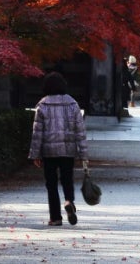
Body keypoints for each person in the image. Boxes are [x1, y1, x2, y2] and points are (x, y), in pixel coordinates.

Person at [28, 71, 88, 226]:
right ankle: (69, 201)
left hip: (49, 151)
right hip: (68, 150)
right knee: (67, 179)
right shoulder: (72, 103)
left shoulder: (42, 105)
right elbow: (80, 131)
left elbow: (37, 133)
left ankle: (55, 218)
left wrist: (35, 154)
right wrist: (83, 154)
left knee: (51, 183)